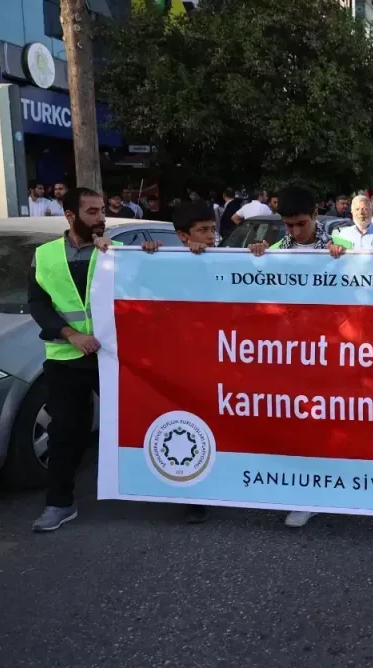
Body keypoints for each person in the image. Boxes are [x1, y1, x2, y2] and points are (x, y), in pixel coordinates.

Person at [246, 185, 351, 529]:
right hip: (290, 356)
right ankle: (303, 492)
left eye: (301, 224)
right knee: (296, 424)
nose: (294, 231)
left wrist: (347, 261)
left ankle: (328, 489)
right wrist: (257, 259)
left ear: (315, 216)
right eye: (288, 225)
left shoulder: (344, 248)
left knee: (329, 424)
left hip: (334, 353)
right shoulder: (274, 252)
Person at [29, 188, 117, 532]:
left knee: (141, 421)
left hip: (112, 356)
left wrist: (143, 252)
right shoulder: (45, 255)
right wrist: (71, 335)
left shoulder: (115, 251)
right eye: (92, 212)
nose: (100, 218)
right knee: (64, 432)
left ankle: (178, 491)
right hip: (66, 358)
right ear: (70, 216)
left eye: (102, 211)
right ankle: (59, 503)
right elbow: (38, 304)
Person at [137, 200, 219, 523]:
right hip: (182, 361)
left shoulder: (229, 259)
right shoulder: (164, 261)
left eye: (213, 229)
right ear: (184, 236)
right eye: (203, 230)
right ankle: (193, 494)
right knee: (189, 424)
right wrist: (148, 256)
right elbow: (136, 284)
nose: (211, 236)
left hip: (219, 358)